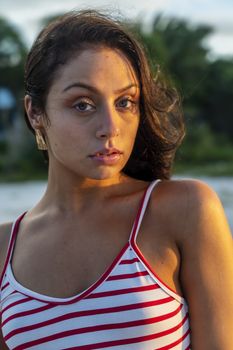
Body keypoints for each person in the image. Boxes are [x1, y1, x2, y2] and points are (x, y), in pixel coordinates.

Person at [0, 10, 232, 350]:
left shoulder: (183, 210)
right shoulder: (5, 249)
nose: (110, 127)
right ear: (35, 112)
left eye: (125, 102)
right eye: (82, 105)